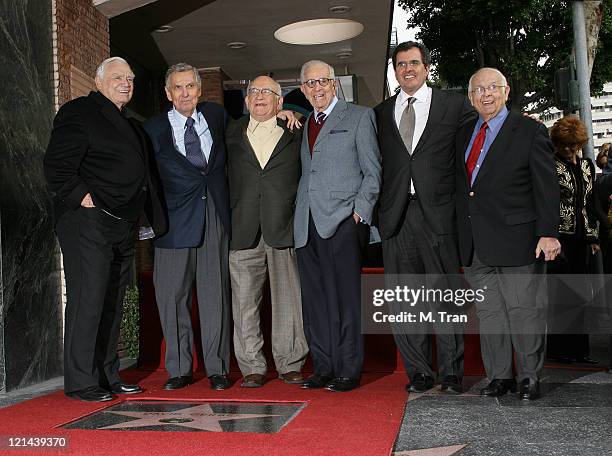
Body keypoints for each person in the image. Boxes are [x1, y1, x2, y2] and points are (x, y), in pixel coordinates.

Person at [44, 57, 166, 402]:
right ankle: (82, 381)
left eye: (129, 78)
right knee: (90, 299)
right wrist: (82, 197)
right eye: (117, 77)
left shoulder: (129, 123)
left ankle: (109, 376)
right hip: (88, 222)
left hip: (122, 224)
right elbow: (56, 164)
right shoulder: (79, 111)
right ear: (99, 81)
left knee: (112, 301)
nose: (126, 82)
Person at [374, 41, 475, 394]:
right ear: (395, 70)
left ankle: (451, 372)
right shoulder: (380, 112)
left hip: (440, 216)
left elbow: (484, 135)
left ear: (427, 67)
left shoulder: (455, 105)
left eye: (414, 63)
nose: (407, 69)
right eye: (400, 64)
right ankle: (418, 371)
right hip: (396, 218)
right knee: (404, 299)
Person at [455, 68, 560, 400]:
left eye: (493, 88)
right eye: (479, 90)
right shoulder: (463, 133)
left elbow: (547, 187)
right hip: (475, 244)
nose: (486, 94)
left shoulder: (529, 130)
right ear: (471, 98)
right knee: (490, 314)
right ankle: (499, 376)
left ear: (506, 91)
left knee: (523, 310)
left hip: (518, 239)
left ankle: (529, 376)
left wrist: (548, 232)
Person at [294, 60, 381, 392]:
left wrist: (359, 213)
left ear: (334, 84)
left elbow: (373, 172)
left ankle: (348, 369)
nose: (317, 88)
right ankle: (323, 368)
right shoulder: (305, 124)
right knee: (315, 302)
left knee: (346, 300)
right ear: (303, 90)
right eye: (310, 84)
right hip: (307, 223)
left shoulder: (359, 116)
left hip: (344, 220)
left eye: (322, 82)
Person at [144, 63, 231, 391]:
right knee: (172, 297)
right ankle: (179, 369)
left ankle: (217, 368)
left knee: (215, 296)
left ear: (199, 90)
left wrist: (281, 114)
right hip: (172, 223)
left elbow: (244, 137)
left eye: (190, 87)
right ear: (168, 94)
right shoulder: (152, 129)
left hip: (214, 219)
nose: (184, 93)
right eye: (177, 88)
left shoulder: (217, 117)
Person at [226, 76, 308, 388]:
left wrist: (297, 114)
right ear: (246, 101)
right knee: (244, 303)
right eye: (254, 92)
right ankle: (252, 366)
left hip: (283, 226)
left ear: (279, 102)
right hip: (242, 227)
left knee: (288, 300)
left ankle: (290, 362)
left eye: (267, 92)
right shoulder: (229, 131)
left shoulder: (295, 130)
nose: (259, 96)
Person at [546, 116, 600, 364]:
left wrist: (593, 236)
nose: (568, 150)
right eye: (564, 145)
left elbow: (591, 202)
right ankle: (558, 349)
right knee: (559, 295)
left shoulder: (588, 165)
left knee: (581, 294)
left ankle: (580, 350)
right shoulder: (550, 164)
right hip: (559, 238)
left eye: (573, 145)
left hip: (583, 239)